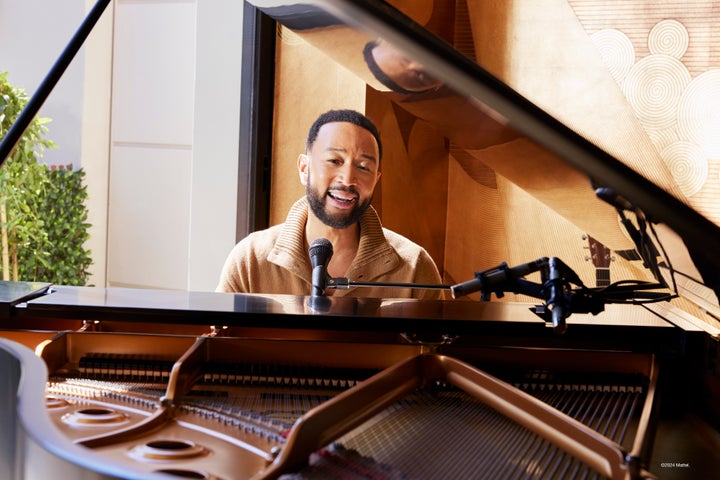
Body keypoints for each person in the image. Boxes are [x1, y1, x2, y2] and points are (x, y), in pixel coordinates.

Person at [216, 109, 444, 299]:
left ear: (376, 179)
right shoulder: (250, 260)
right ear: (305, 169)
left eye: (363, 167)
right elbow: (217, 345)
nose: (347, 179)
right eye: (334, 161)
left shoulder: (414, 267)